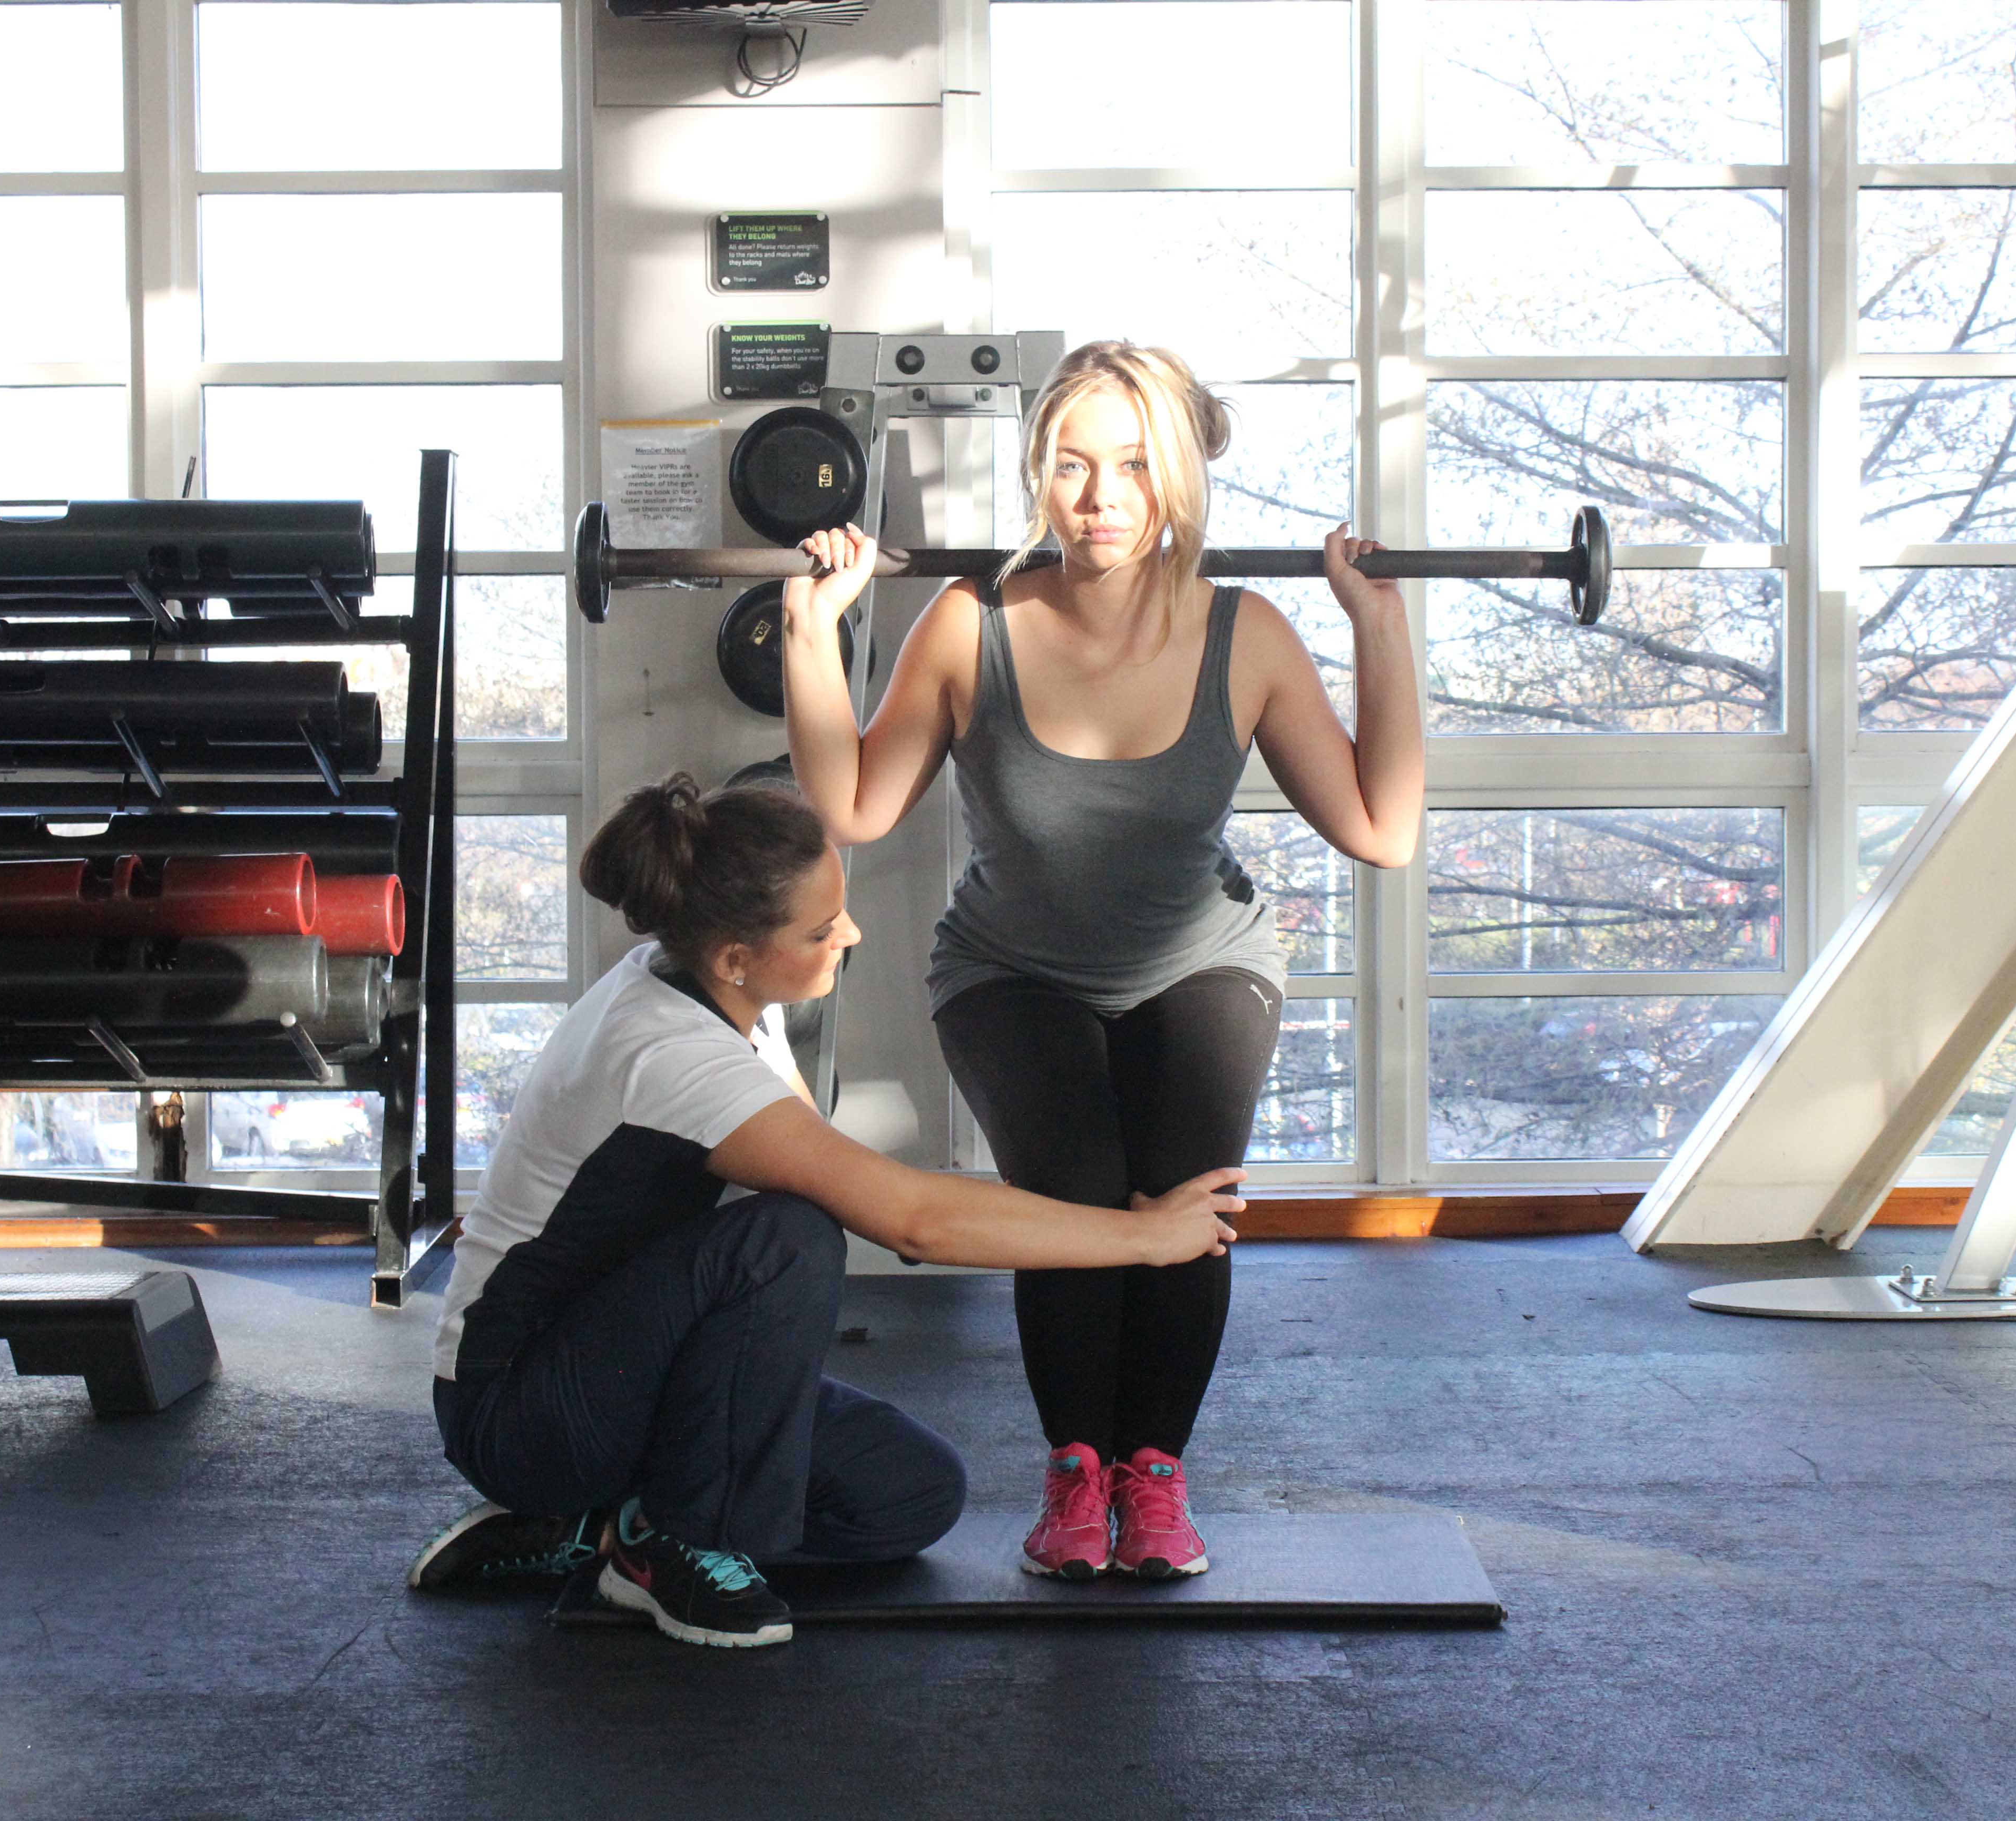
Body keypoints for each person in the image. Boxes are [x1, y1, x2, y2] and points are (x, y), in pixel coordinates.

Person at [778, 339, 1423, 1581]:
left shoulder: (1251, 637)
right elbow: (855, 808)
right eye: (1071, 466)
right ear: (1037, 476)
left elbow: (1381, 830)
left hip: (1198, 957)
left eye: (1131, 465)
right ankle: (1079, 1472)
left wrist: (1379, 626)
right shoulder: (971, 626)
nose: (1101, 498)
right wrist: (813, 631)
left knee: (1187, 1196)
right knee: (1073, 1194)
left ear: (1177, 475)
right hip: (1012, 967)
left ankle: (1157, 1476)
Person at [408, 772, 1247, 1649]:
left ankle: (605, 1529)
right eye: (821, 929)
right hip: (516, 1409)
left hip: (629, 1365)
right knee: (788, 1237)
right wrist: (1146, 1239)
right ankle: (679, 1547)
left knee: (911, 1495)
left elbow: (873, 1189)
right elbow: (912, 1221)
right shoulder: (670, 1054)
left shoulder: (725, 994)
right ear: (736, 953)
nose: (850, 933)